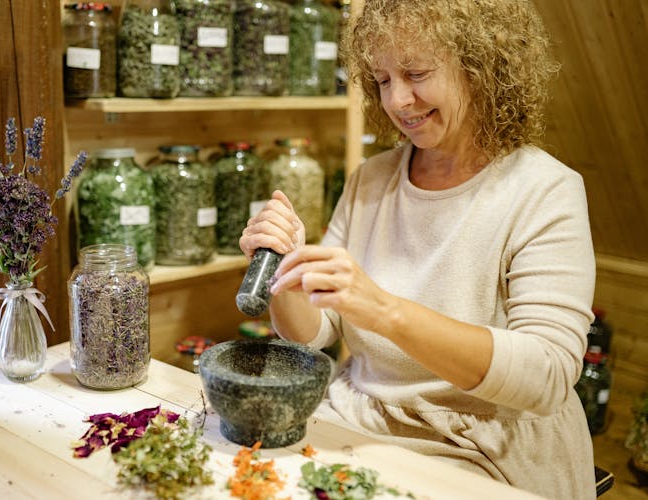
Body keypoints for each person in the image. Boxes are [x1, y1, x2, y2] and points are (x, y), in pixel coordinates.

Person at [239, 0, 596, 498]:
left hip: (485, 445)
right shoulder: (372, 179)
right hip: (358, 420)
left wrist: (385, 310)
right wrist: (286, 275)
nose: (398, 100)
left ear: (482, 66)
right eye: (382, 80)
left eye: (416, 73)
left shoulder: (544, 189)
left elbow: (547, 376)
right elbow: (314, 333)